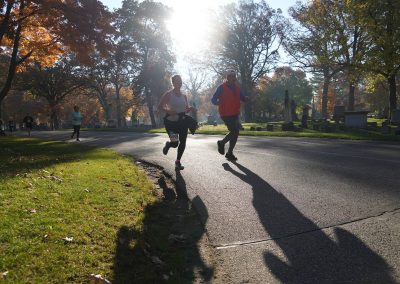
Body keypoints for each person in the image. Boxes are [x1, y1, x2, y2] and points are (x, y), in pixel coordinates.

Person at [158, 74, 196, 170]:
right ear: (173, 83)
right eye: (177, 81)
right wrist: (169, 111)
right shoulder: (169, 94)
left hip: (182, 122)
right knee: (175, 143)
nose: (179, 82)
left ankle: (177, 162)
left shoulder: (184, 96)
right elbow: (160, 107)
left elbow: (185, 109)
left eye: (180, 80)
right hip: (171, 123)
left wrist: (190, 108)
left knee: (183, 142)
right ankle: (168, 144)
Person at [211, 70, 249, 161]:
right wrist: (219, 102)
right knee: (234, 131)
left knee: (235, 133)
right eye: (230, 76)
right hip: (225, 113)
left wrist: (246, 99)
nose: (232, 77)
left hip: (235, 113)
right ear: (227, 77)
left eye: (234, 76)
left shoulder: (237, 88)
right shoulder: (221, 87)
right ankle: (222, 143)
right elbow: (213, 99)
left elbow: (242, 98)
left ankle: (229, 153)